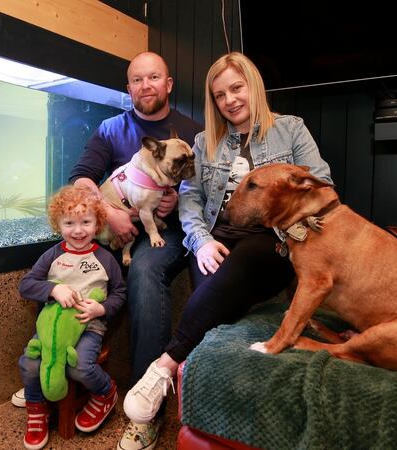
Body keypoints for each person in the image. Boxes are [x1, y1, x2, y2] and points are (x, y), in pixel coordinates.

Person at [122, 52, 333, 425]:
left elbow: (323, 186)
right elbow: (189, 197)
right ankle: (209, 412)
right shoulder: (205, 141)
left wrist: (285, 218)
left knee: (247, 258)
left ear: (253, 86)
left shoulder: (292, 129)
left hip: (274, 239)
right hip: (216, 237)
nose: (230, 100)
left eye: (237, 88)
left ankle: (164, 366)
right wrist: (201, 240)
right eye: (220, 95)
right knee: (216, 304)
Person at [68, 51, 203, 449]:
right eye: (138, 80)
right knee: (67, 261)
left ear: (169, 84)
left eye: (154, 78)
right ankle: (53, 373)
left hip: (173, 231)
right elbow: (81, 179)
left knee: (143, 270)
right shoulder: (111, 128)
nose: (146, 86)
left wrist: (177, 200)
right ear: (128, 88)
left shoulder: (191, 132)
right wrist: (110, 213)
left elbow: (209, 190)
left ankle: (147, 408)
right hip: (121, 224)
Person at [17, 185, 127, 450]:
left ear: (98, 222)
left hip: (88, 326)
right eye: (69, 223)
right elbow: (26, 284)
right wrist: (53, 289)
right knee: (28, 364)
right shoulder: (53, 255)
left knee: (80, 368)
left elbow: (120, 293)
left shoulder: (105, 259)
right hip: (51, 328)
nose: (78, 230)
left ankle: (105, 393)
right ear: (58, 224)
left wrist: (101, 309)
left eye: (86, 222)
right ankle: (36, 409)